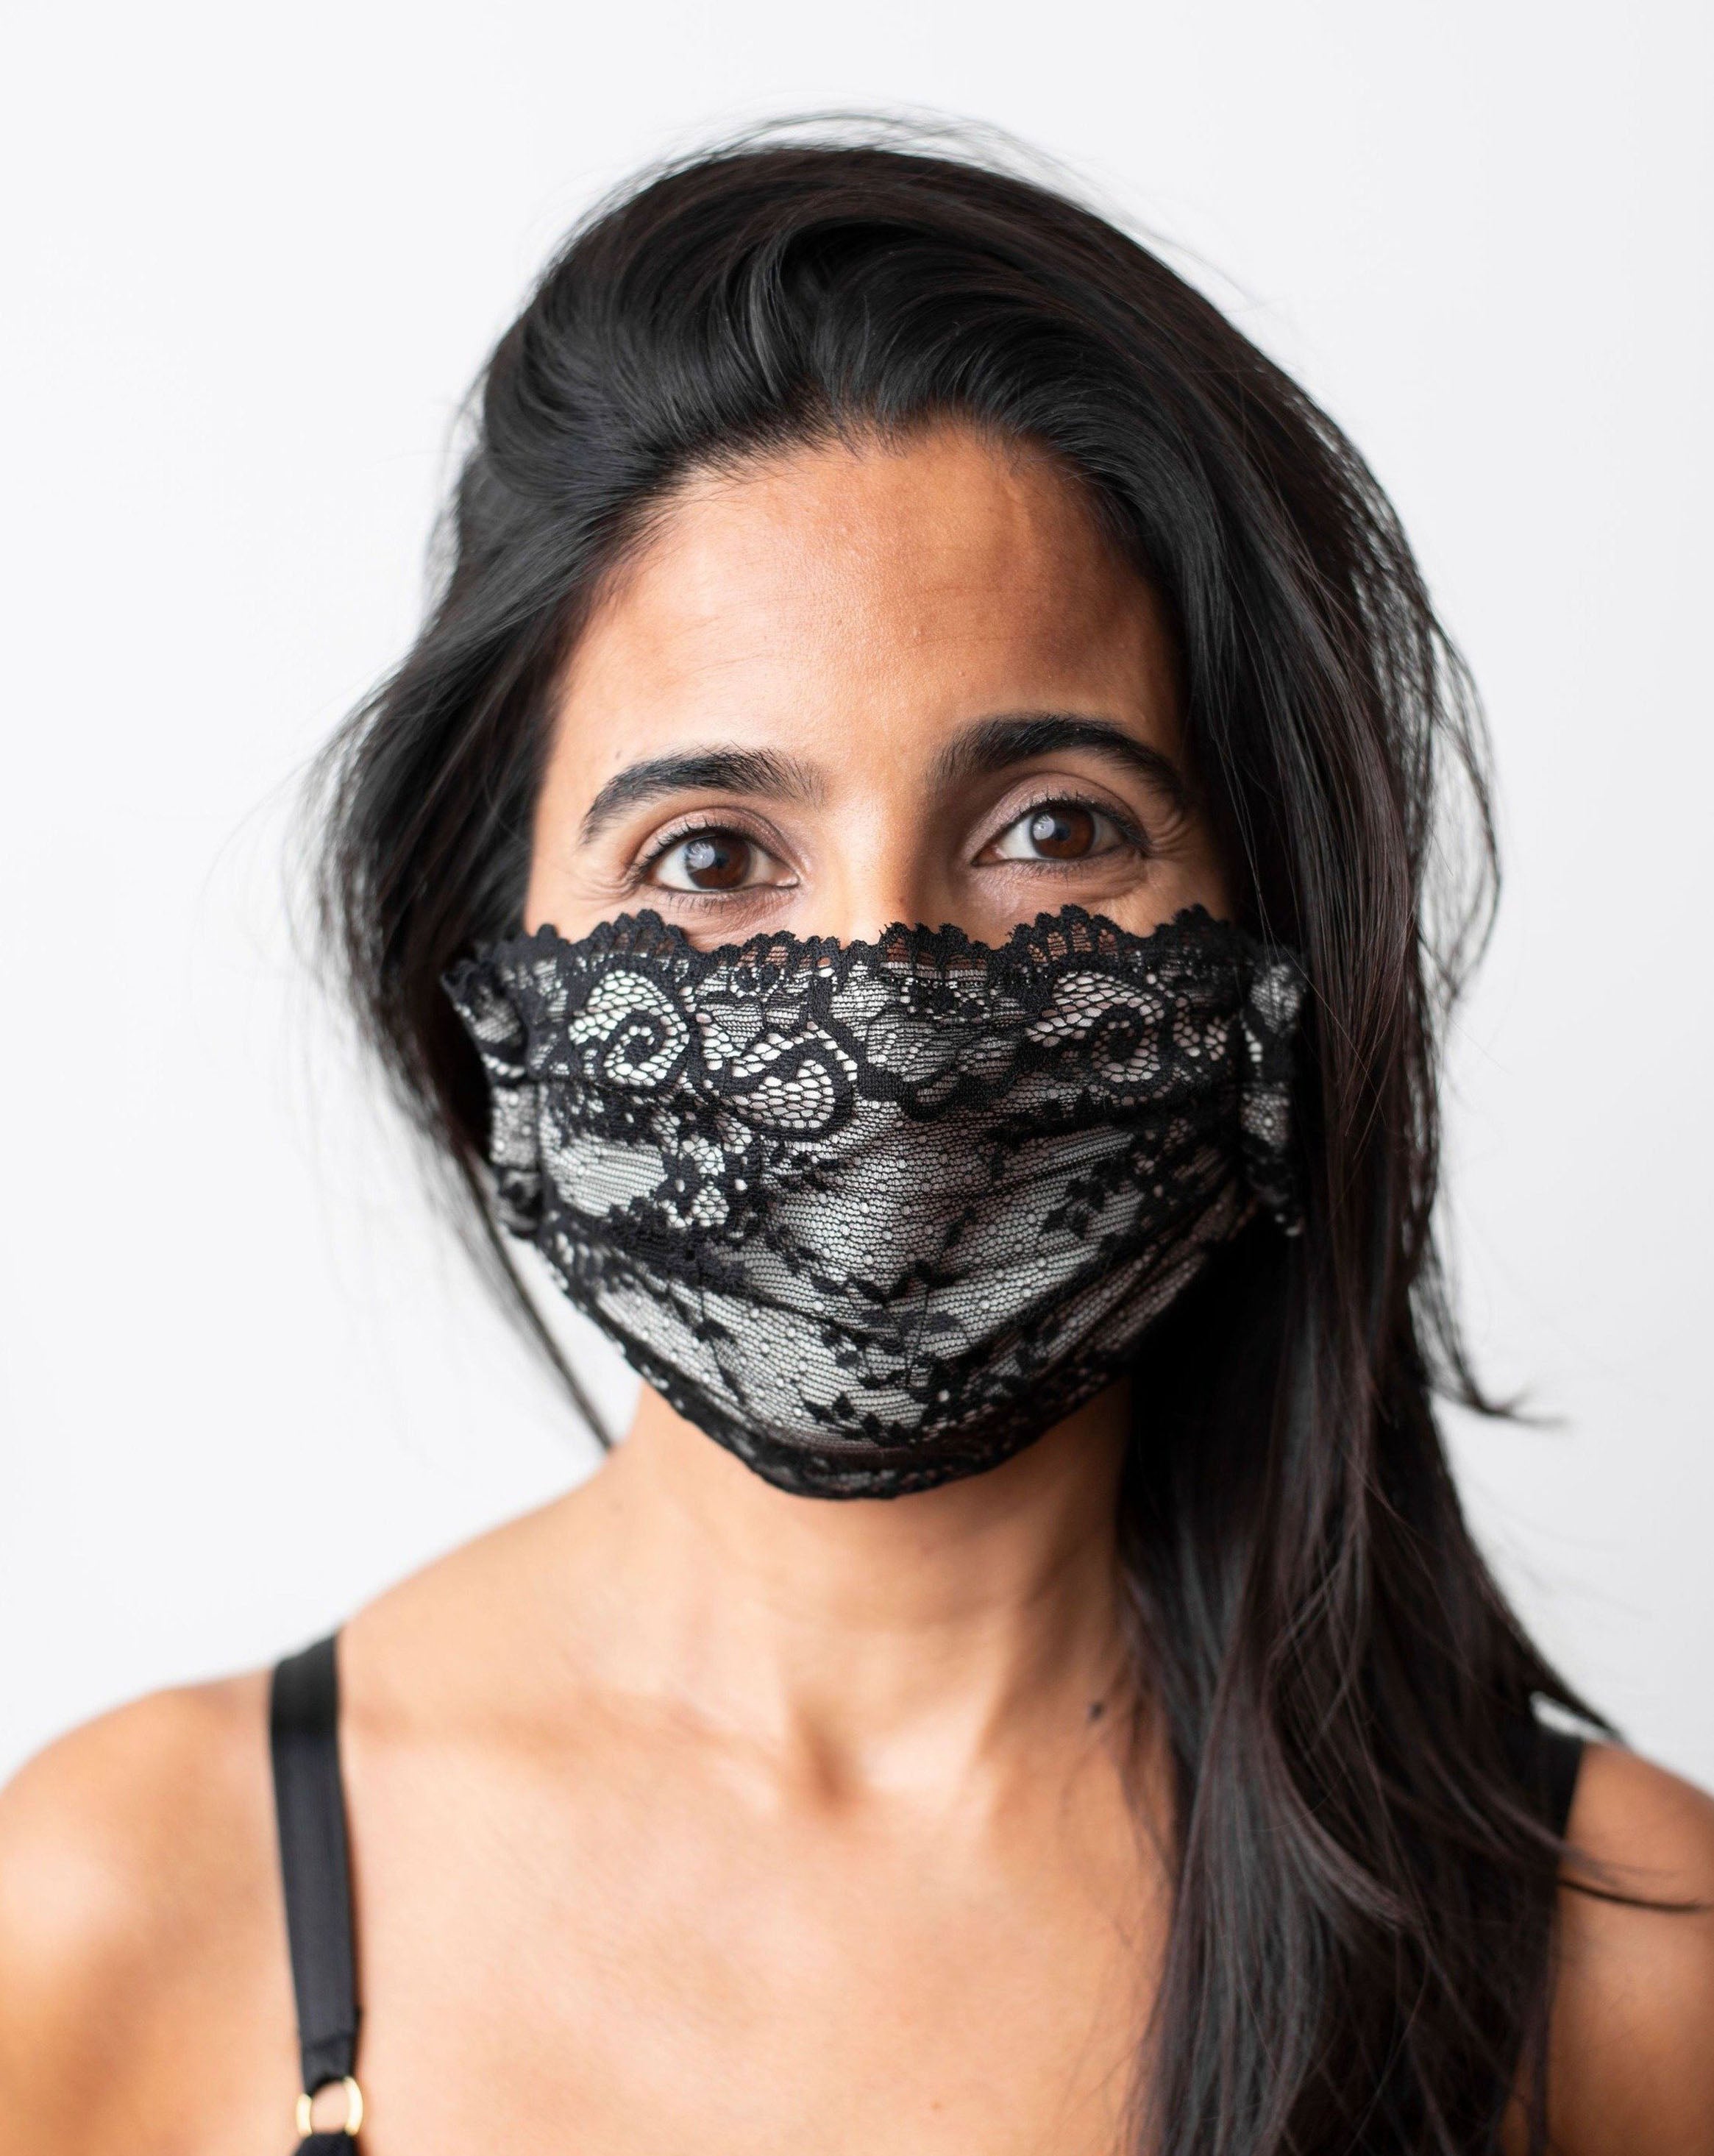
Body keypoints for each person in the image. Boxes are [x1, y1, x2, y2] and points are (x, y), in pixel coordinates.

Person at [1, 133, 1710, 2156]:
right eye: (710, 856)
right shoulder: (123, 1903)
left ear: (1272, 950)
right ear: (484, 982)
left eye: (1052, 828)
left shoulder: (1614, 1960)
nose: (885, 1012)